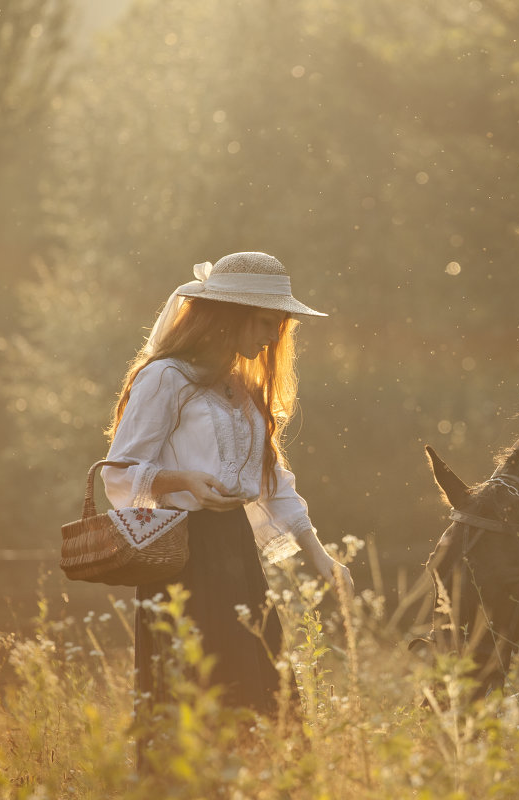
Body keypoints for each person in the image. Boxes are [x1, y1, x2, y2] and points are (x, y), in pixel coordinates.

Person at [100, 251, 351, 754]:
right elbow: (120, 471)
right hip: (180, 557)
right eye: (265, 321)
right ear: (230, 314)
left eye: (280, 324)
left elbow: (272, 478)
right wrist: (184, 481)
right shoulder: (166, 378)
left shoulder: (243, 389)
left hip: (235, 551)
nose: (273, 335)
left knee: (257, 688)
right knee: (195, 690)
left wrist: (319, 554)